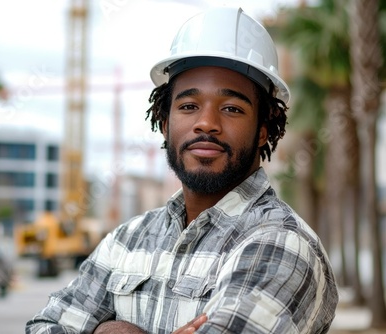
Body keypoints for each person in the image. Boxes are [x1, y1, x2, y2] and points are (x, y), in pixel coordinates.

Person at [26, 6, 338, 334]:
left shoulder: (282, 245)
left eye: (232, 108)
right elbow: (43, 327)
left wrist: (113, 330)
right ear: (164, 124)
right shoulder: (127, 241)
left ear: (263, 129)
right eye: (188, 106)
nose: (206, 123)